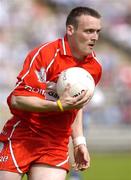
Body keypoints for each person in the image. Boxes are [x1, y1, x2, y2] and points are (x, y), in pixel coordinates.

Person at [0, 6, 102, 180]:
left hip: (55, 143)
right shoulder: (45, 54)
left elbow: (76, 106)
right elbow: (17, 99)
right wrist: (58, 105)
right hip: (23, 134)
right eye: (89, 31)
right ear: (70, 30)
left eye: (97, 32)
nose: (94, 37)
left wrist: (79, 142)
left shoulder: (93, 68)